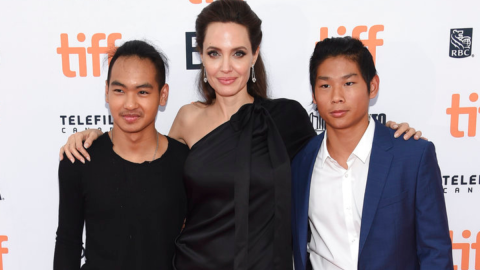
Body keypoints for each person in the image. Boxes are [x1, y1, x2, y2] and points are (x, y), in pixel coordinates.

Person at [59, 1, 423, 269]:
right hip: (194, 263)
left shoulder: (284, 118)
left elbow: (338, 148)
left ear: (255, 55)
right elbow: (150, 169)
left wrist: (389, 134)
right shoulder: (186, 119)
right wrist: (97, 137)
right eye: (214, 53)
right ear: (200, 54)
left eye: (238, 53)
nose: (226, 67)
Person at [291, 37, 453, 270]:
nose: (337, 96)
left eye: (349, 83)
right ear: (314, 95)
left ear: (373, 86)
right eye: (325, 85)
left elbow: (435, 253)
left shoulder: (412, 156)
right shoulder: (301, 163)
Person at [54, 40, 189, 270]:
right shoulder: (79, 160)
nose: (130, 104)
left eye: (143, 92)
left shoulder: (185, 162)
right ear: (106, 92)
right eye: (119, 90)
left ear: (163, 95)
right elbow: (68, 243)